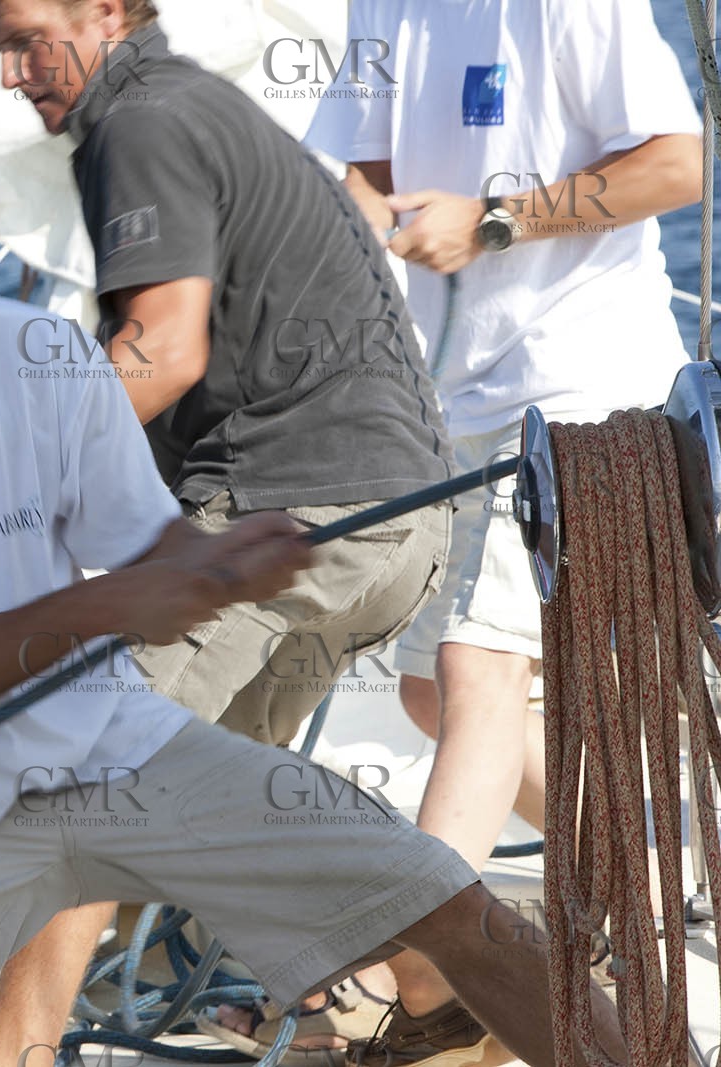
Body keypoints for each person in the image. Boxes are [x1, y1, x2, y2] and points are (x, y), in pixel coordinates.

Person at [0, 184, 627, 1067]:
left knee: (459, 908)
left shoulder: (38, 355)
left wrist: (220, 562)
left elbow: (145, 545)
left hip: (121, 742)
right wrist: (111, 604)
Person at [0, 0, 458, 1058]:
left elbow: (161, 351)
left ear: (105, 12)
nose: (8, 73)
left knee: (79, 790)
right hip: (394, 516)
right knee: (232, 803)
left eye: (23, 38)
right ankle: (440, 982)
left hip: (293, 512)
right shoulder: (197, 110)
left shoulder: (141, 124)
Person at [301, 0, 703, 1060]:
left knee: (476, 678)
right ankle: (635, 881)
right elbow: (359, 171)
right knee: (429, 694)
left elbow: (678, 163)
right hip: (450, 396)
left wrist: (492, 221)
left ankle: (423, 978)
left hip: (578, 391)